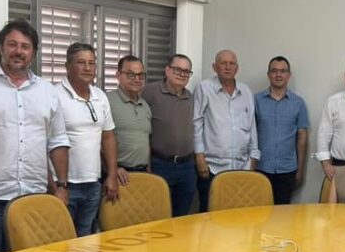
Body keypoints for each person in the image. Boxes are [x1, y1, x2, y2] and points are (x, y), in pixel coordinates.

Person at [0, 19, 70, 252]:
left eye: (25, 46)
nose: (18, 51)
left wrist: (62, 186)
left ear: (33, 52)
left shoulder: (47, 91)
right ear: (1, 48)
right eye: (12, 44)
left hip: (33, 196)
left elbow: (57, 141)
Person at [54, 42, 118, 236]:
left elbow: (108, 137)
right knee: (61, 239)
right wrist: (57, 185)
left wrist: (112, 174)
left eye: (91, 63)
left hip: (93, 183)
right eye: (81, 62)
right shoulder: (54, 95)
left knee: (86, 238)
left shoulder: (100, 96)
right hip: (64, 185)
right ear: (67, 66)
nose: (88, 68)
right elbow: (46, 143)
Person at [193, 50, 260, 212]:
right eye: (223, 63)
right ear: (214, 67)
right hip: (212, 168)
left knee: (237, 215)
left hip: (241, 167)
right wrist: (199, 157)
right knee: (209, 215)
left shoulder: (246, 91)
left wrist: (253, 157)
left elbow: (252, 125)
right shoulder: (204, 88)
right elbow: (196, 122)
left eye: (232, 64)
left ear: (237, 68)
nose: (228, 67)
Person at [142, 54, 195, 217]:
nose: (182, 74)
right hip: (160, 164)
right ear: (167, 70)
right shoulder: (149, 92)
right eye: (178, 69)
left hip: (187, 166)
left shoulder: (190, 97)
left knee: (182, 216)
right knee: (158, 214)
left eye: (186, 71)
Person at [255, 56, 309, 204]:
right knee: (259, 213)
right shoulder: (255, 101)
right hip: (261, 168)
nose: (278, 75)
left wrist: (300, 169)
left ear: (288, 75)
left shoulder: (298, 103)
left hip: (287, 169)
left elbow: (302, 137)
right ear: (268, 74)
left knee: (283, 214)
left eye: (283, 71)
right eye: (274, 71)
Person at [106, 55, 152, 184]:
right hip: (118, 175)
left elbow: (146, 140)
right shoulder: (107, 101)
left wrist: (148, 168)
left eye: (141, 75)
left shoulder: (145, 105)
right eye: (131, 75)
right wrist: (113, 169)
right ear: (118, 75)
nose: (137, 79)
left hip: (143, 173)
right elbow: (98, 141)